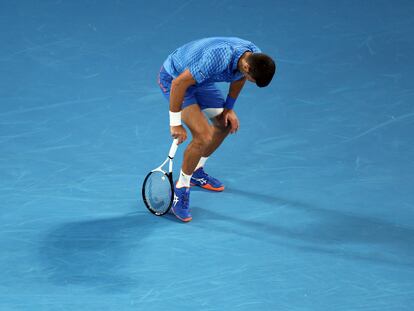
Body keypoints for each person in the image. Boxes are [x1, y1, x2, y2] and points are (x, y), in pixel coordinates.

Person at [158, 37, 276, 222]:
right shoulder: (217, 58)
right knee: (203, 136)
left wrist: (229, 108)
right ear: (247, 67)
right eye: (251, 79)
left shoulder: (253, 57)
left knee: (225, 124)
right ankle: (180, 190)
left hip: (199, 80)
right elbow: (179, 83)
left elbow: (239, 78)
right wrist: (175, 123)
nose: (249, 80)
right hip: (175, 79)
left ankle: (196, 171)